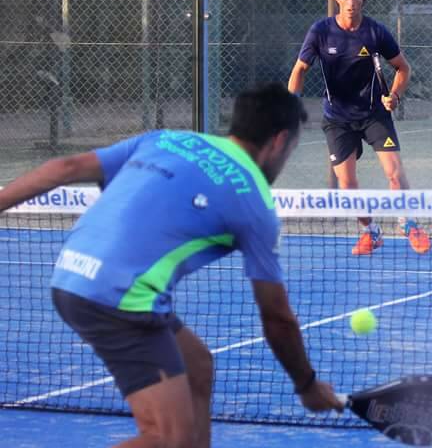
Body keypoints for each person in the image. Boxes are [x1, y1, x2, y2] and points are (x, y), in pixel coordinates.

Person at [0, 83, 343, 448]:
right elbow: (277, 318)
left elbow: (65, 167)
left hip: (69, 275)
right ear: (279, 141)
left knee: (196, 366)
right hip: (119, 300)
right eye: (291, 148)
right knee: (166, 439)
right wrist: (306, 385)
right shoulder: (254, 203)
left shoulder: (166, 139)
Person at [288, 0, 430, 256]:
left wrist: (395, 95)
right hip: (337, 118)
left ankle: (408, 223)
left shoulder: (375, 32)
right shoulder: (320, 31)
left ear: (363, 0)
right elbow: (300, 70)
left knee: (394, 173)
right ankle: (370, 232)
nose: (351, 3)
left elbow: (403, 68)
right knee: (347, 183)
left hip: (374, 113)